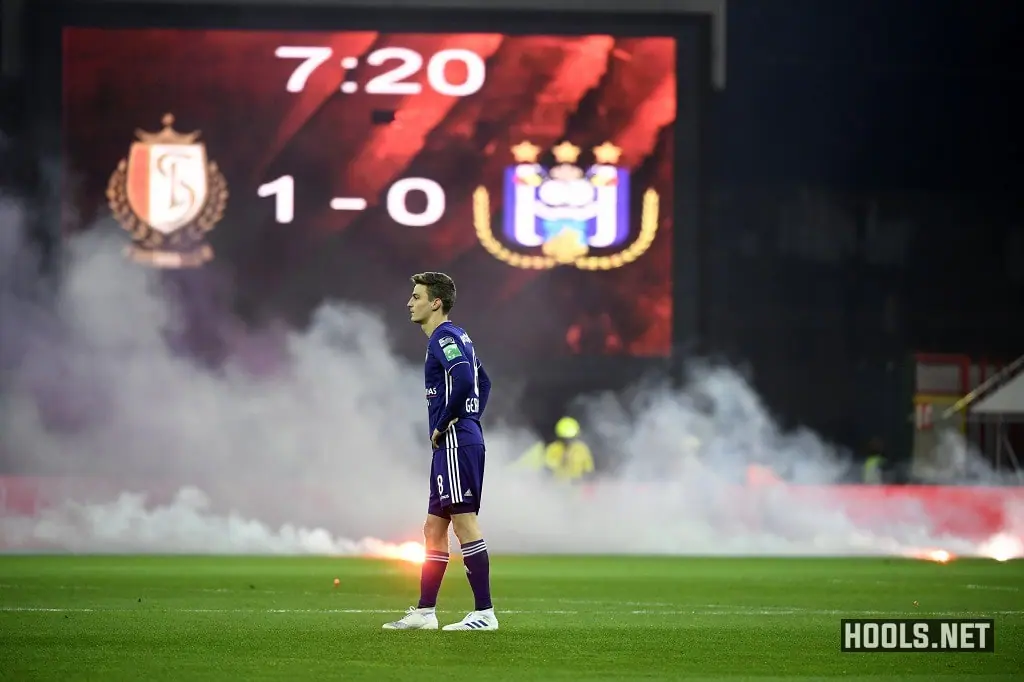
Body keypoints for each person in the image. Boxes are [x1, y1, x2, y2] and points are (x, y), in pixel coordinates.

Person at [383, 272, 498, 631]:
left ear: (436, 303)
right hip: (460, 438)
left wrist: (449, 420)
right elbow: (485, 380)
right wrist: (471, 418)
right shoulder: (459, 336)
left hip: (454, 441)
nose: (409, 302)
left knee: (464, 522)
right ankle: (425, 612)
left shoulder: (443, 337)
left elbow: (465, 378)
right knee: (433, 528)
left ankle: (484, 612)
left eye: (416, 296)